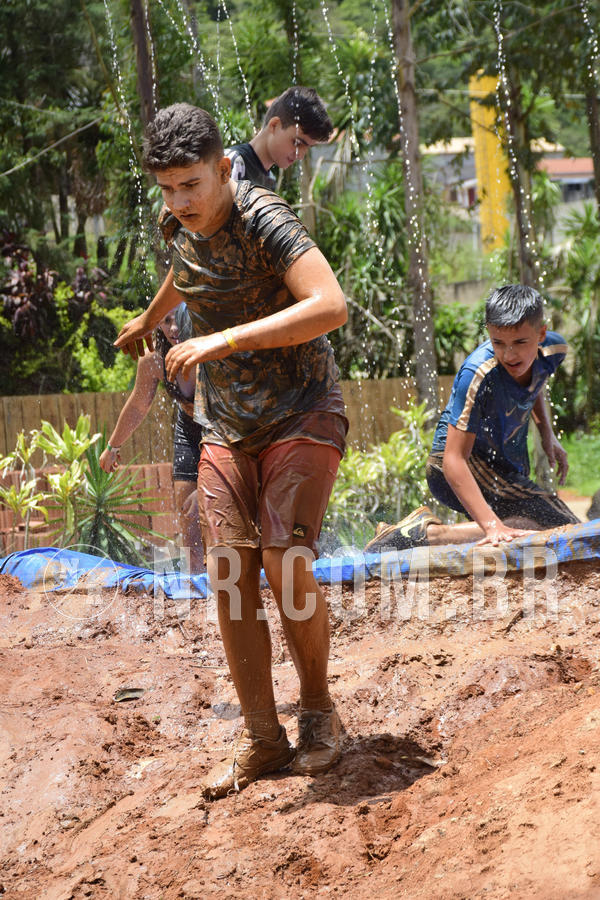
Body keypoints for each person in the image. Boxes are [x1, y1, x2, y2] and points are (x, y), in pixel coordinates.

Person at [114, 103, 348, 799]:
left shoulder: (266, 217)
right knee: (228, 573)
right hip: (227, 424)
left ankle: (318, 714)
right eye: (166, 188)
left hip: (303, 408)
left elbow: (331, 304)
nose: (179, 201)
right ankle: (262, 740)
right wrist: (151, 319)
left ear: (222, 168)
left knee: (283, 557)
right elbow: (185, 270)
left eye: (191, 184)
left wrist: (223, 339)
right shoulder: (175, 221)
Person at [365, 284, 579, 553]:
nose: (509, 355)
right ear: (489, 332)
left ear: (541, 334)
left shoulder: (554, 350)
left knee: (531, 524)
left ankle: (418, 535)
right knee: (558, 519)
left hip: (496, 467)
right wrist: (490, 526)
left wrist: (547, 434)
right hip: (457, 464)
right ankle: (425, 533)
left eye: (520, 343)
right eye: (498, 343)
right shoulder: (478, 373)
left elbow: (533, 385)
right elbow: (453, 459)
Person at [99, 304, 205, 572]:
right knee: (187, 513)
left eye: (180, 318)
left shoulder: (209, 349)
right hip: (190, 430)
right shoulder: (154, 360)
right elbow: (138, 405)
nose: (174, 328)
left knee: (223, 506)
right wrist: (113, 446)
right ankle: (195, 587)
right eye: (166, 320)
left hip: (226, 428)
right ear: (155, 324)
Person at [226, 86, 333, 189]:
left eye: (307, 148)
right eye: (297, 143)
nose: (300, 155)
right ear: (274, 125)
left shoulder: (269, 180)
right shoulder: (232, 163)